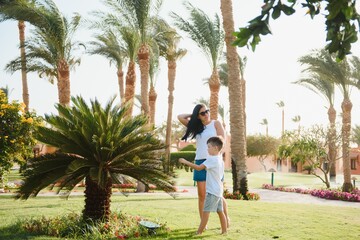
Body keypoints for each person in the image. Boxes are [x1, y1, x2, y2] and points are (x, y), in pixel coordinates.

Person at [177, 103, 229, 228]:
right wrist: (194, 115)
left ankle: (226, 220)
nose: (206, 114)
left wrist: (216, 156)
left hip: (214, 162)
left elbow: (222, 141)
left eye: (207, 111)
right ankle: (203, 224)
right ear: (198, 116)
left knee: (217, 194)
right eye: (202, 113)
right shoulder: (196, 127)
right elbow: (180, 117)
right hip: (200, 161)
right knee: (202, 195)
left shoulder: (216, 123)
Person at [179, 136, 227, 235]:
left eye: (209, 147)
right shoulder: (219, 159)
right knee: (220, 211)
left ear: (216, 148)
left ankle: (199, 232)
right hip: (218, 190)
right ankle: (224, 231)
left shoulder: (212, 160)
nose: (207, 149)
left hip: (212, 191)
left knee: (206, 212)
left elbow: (199, 167)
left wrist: (185, 162)